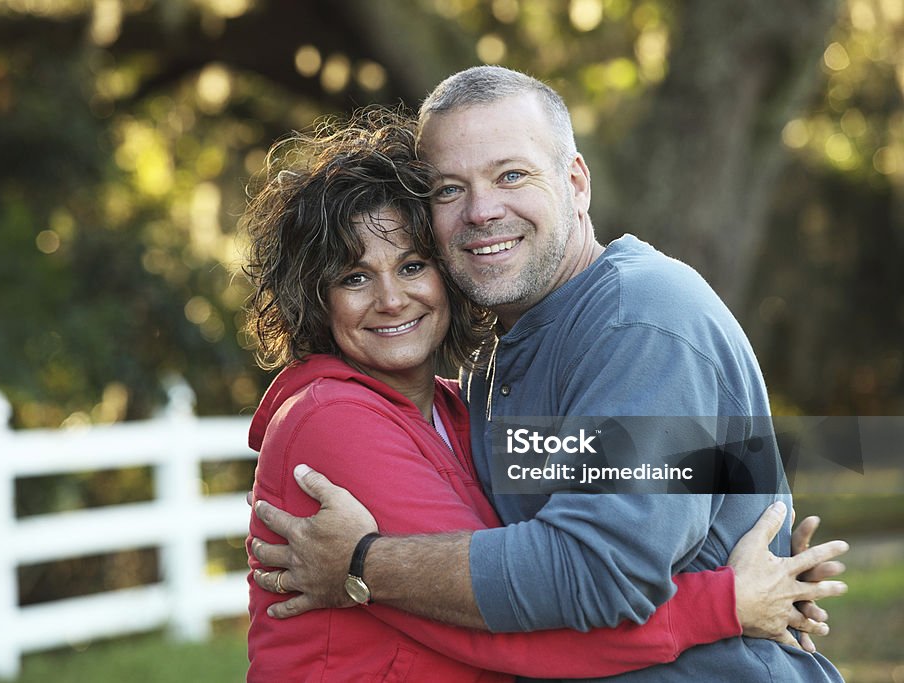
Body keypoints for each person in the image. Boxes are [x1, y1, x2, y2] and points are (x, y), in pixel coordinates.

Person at [249, 67, 848, 682]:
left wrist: (361, 563)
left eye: (512, 175)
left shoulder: (638, 323)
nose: (482, 211)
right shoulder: (490, 375)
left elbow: (598, 571)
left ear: (576, 182)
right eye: (449, 189)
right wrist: (729, 572)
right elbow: (551, 555)